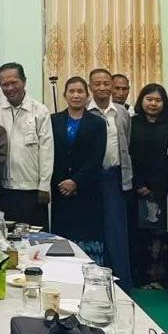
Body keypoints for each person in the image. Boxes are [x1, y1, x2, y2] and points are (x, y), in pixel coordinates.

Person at [0, 63, 53, 228]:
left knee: (35, 236)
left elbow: (47, 150)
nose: (10, 88)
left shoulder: (40, 111)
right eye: (5, 84)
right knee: (6, 236)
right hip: (2, 188)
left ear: (24, 81)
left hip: (32, 188)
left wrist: (44, 186)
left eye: (14, 82)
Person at [49, 77, 108, 261]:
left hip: (87, 189)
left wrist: (75, 181)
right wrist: (62, 182)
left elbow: (96, 157)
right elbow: (49, 153)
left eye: (80, 91)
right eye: (72, 91)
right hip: (59, 189)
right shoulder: (53, 120)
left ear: (87, 95)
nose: (76, 95)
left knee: (87, 234)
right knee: (62, 236)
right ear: (65, 95)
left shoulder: (97, 123)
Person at [88, 68, 134, 290]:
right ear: (90, 87)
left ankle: (122, 284)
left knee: (116, 231)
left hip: (115, 177)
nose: (102, 88)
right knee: (94, 229)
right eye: (97, 84)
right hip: (91, 179)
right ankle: (95, 281)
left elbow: (127, 143)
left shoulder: (122, 112)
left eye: (107, 83)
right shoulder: (85, 112)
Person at [129, 83, 168, 289]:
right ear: (141, 101)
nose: (153, 104)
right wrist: (139, 184)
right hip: (136, 187)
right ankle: (140, 278)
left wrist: (158, 186)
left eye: (158, 100)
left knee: (162, 235)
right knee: (138, 234)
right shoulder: (132, 123)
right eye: (149, 99)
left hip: (164, 188)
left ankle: (161, 278)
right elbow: (128, 156)